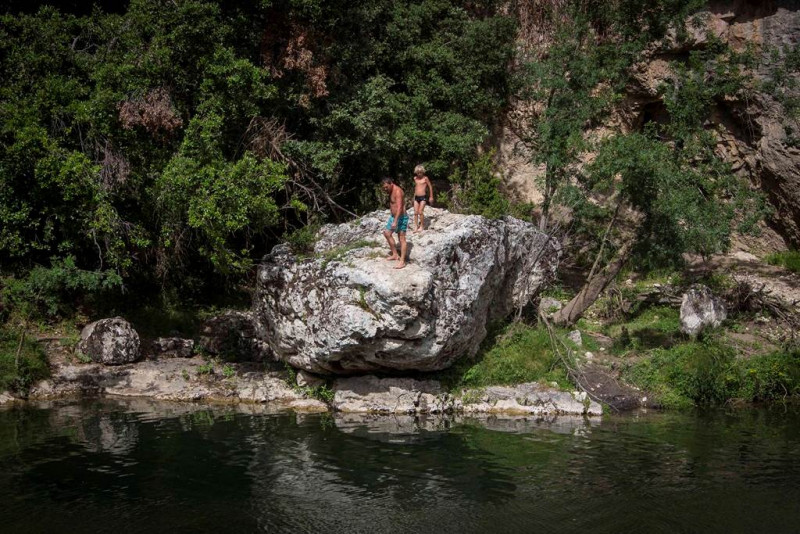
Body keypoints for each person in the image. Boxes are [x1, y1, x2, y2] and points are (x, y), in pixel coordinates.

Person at [381, 176, 408, 269]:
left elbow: (400, 207)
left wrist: (395, 221)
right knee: (387, 233)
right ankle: (395, 254)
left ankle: (402, 261)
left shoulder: (398, 191)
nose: (385, 189)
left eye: (386, 187)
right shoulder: (390, 191)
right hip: (393, 216)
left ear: (391, 184)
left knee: (402, 238)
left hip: (401, 217)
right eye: (384, 188)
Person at [411, 164, 433, 233]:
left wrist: (431, 196)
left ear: (423, 172)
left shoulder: (425, 178)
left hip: (423, 197)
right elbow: (416, 188)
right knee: (415, 212)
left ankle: (422, 226)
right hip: (416, 197)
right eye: (418, 172)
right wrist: (413, 196)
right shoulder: (415, 178)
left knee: (420, 211)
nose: (419, 174)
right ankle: (415, 226)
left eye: (420, 172)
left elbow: (430, 187)